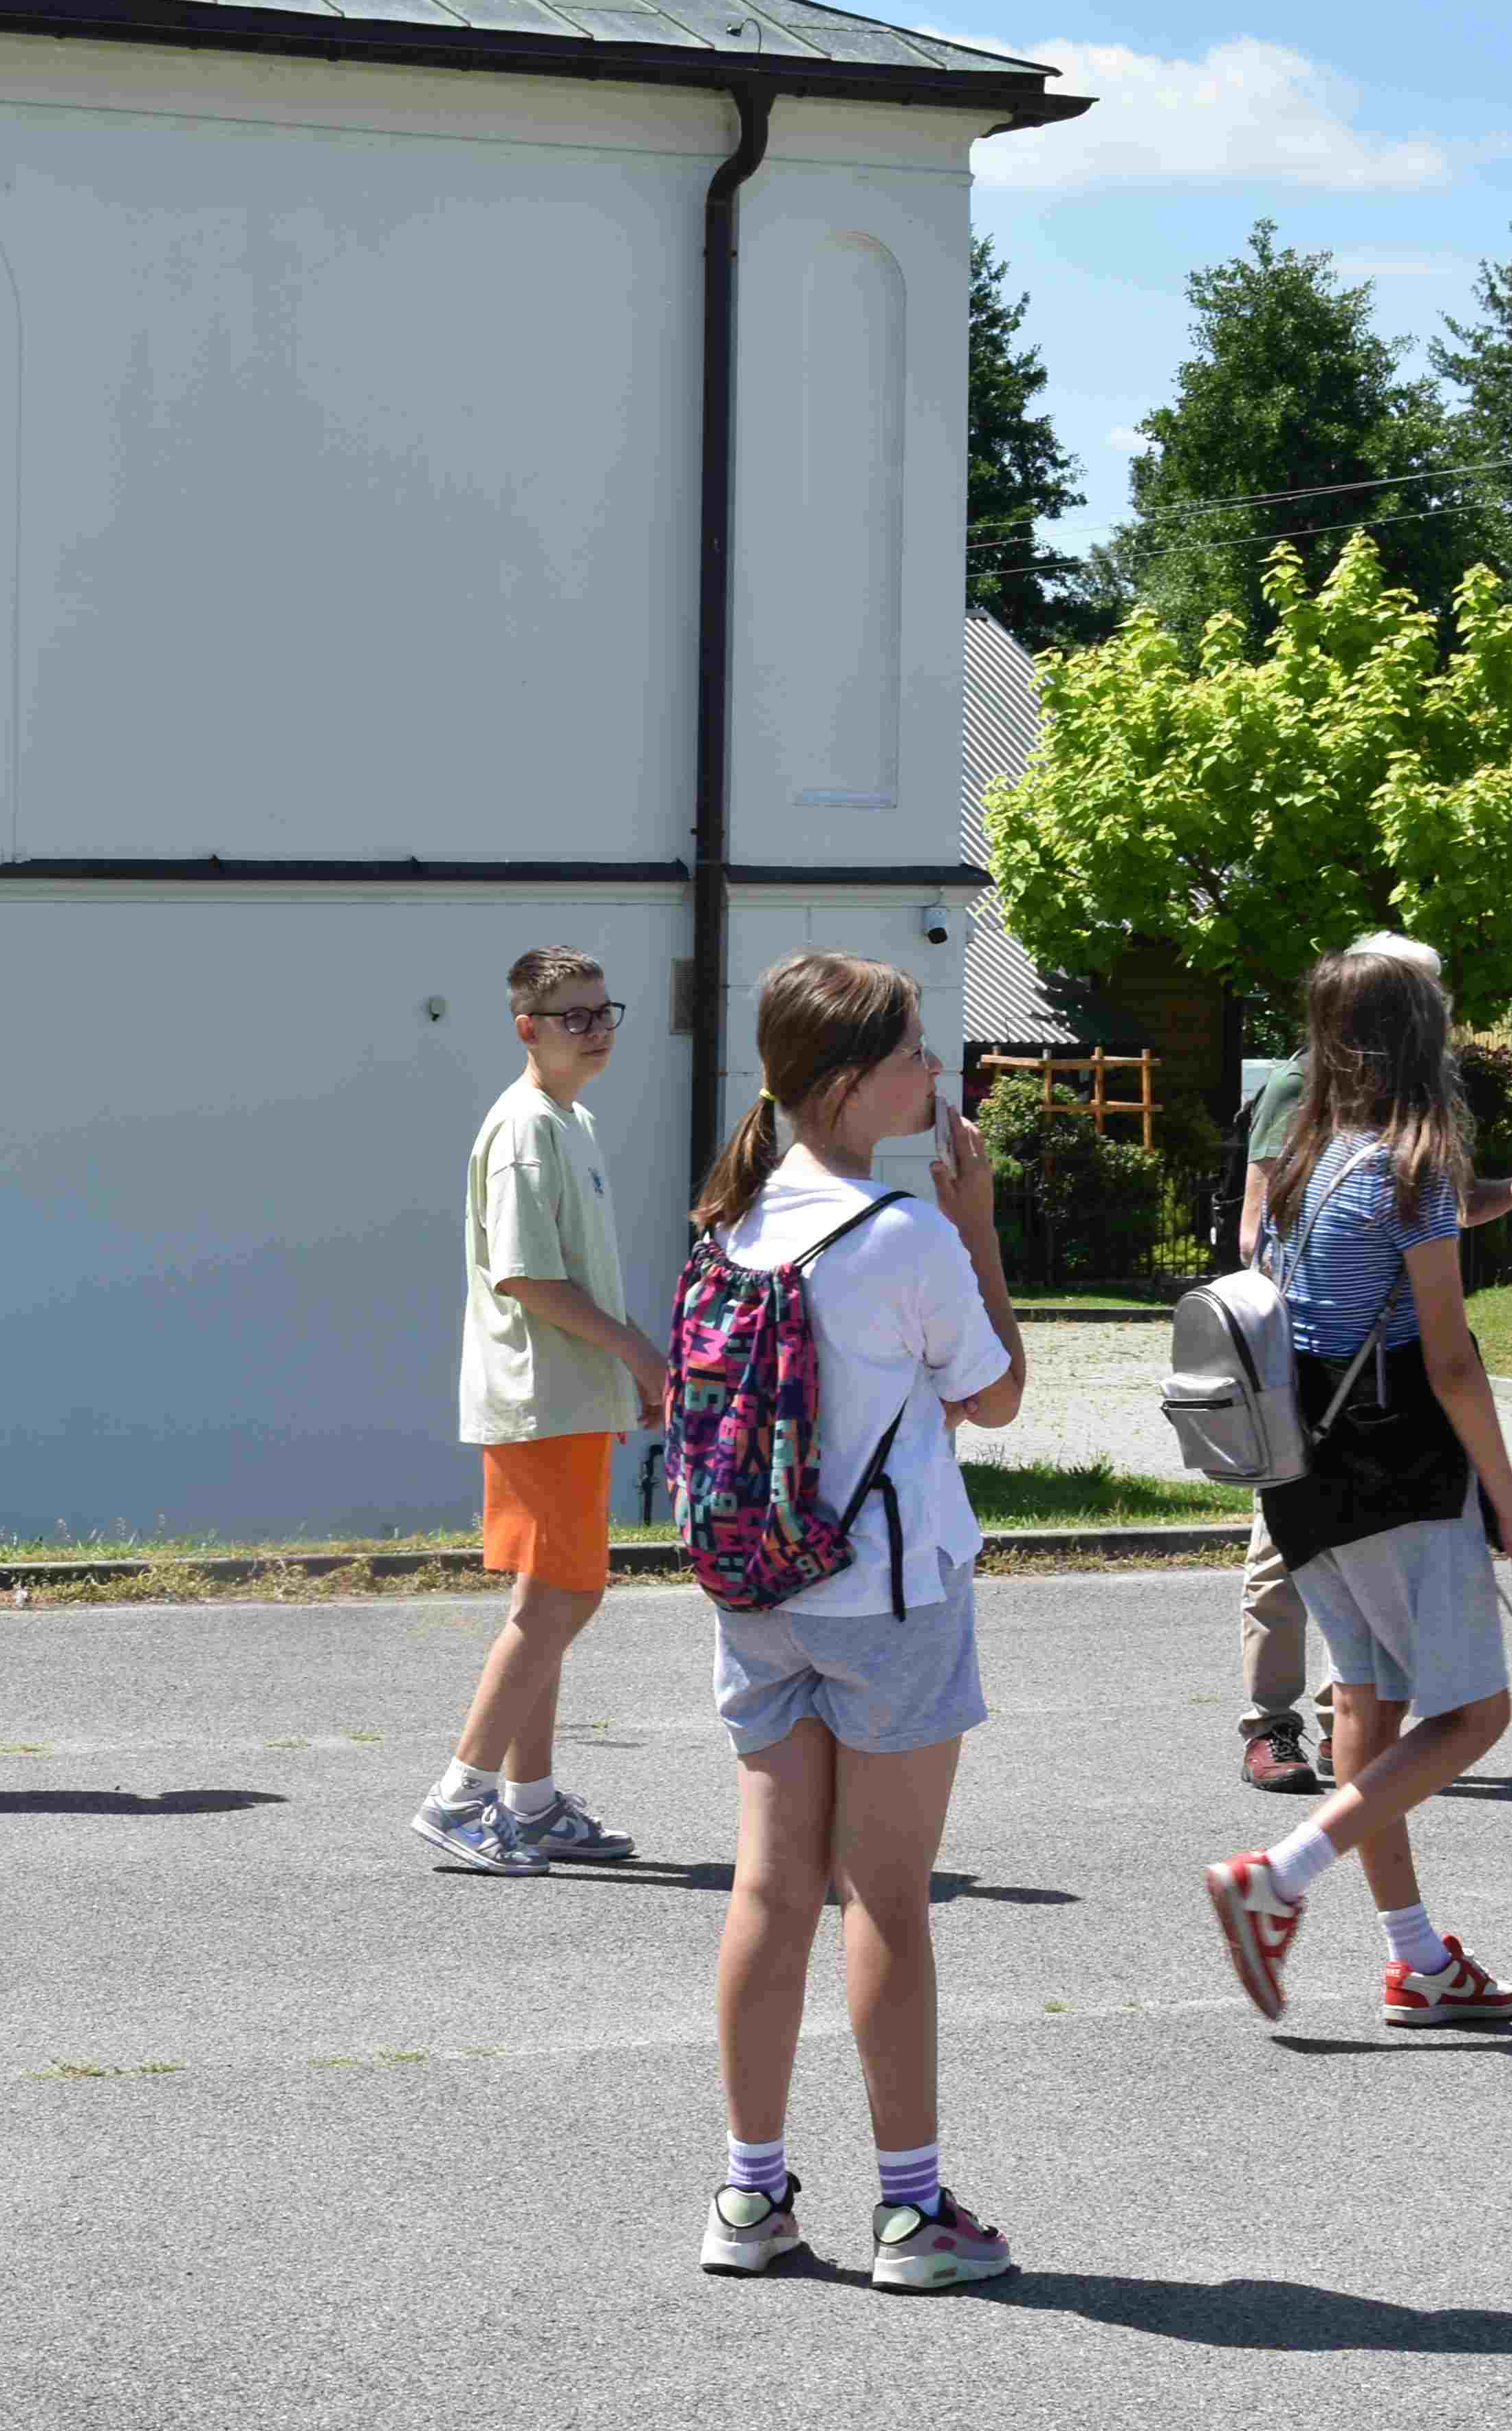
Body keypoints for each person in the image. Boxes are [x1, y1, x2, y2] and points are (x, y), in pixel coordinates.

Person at [692, 951, 1027, 2294]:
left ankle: (751, 2190)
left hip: (760, 1596)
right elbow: (995, 1394)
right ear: (846, 1084)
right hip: (887, 1596)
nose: (935, 1076)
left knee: (771, 1890)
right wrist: (979, 1211)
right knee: (885, 1893)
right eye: (912, 1056)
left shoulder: (735, 1218)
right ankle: (911, 2212)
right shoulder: (904, 1234)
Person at [1202, 948, 1512, 2030]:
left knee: (1367, 1702)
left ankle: (1414, 1959)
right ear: (1421, 1036)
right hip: (1394, 1467)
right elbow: (1449, 1358)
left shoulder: (1308, 1155)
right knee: (1475, 1713)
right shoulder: (1417, 1163)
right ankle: (1282, 1875)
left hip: (1295, 1468)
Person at [416, 947, 670, 1874]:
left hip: (570, 1396)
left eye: (606, 1012)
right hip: (538, 1397)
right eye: (575, 1017)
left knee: (554, 1596)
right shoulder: (527, 1128)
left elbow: (579, 1276)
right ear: (527, 1026)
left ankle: (528, 1801)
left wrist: (634, 1365)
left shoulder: (571, 1120)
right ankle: (461, 1796)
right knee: (560, 1598)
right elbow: (526, 1276)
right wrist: (636, 1352)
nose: (597, 1030)